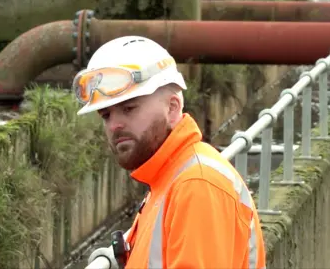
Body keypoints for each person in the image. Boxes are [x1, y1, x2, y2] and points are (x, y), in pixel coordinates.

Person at [72, 35, 266, 269]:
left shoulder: (197, 185)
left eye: (129, 108)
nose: (114, 125)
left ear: (172, 109)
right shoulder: (167, 179)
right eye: (106, 115)